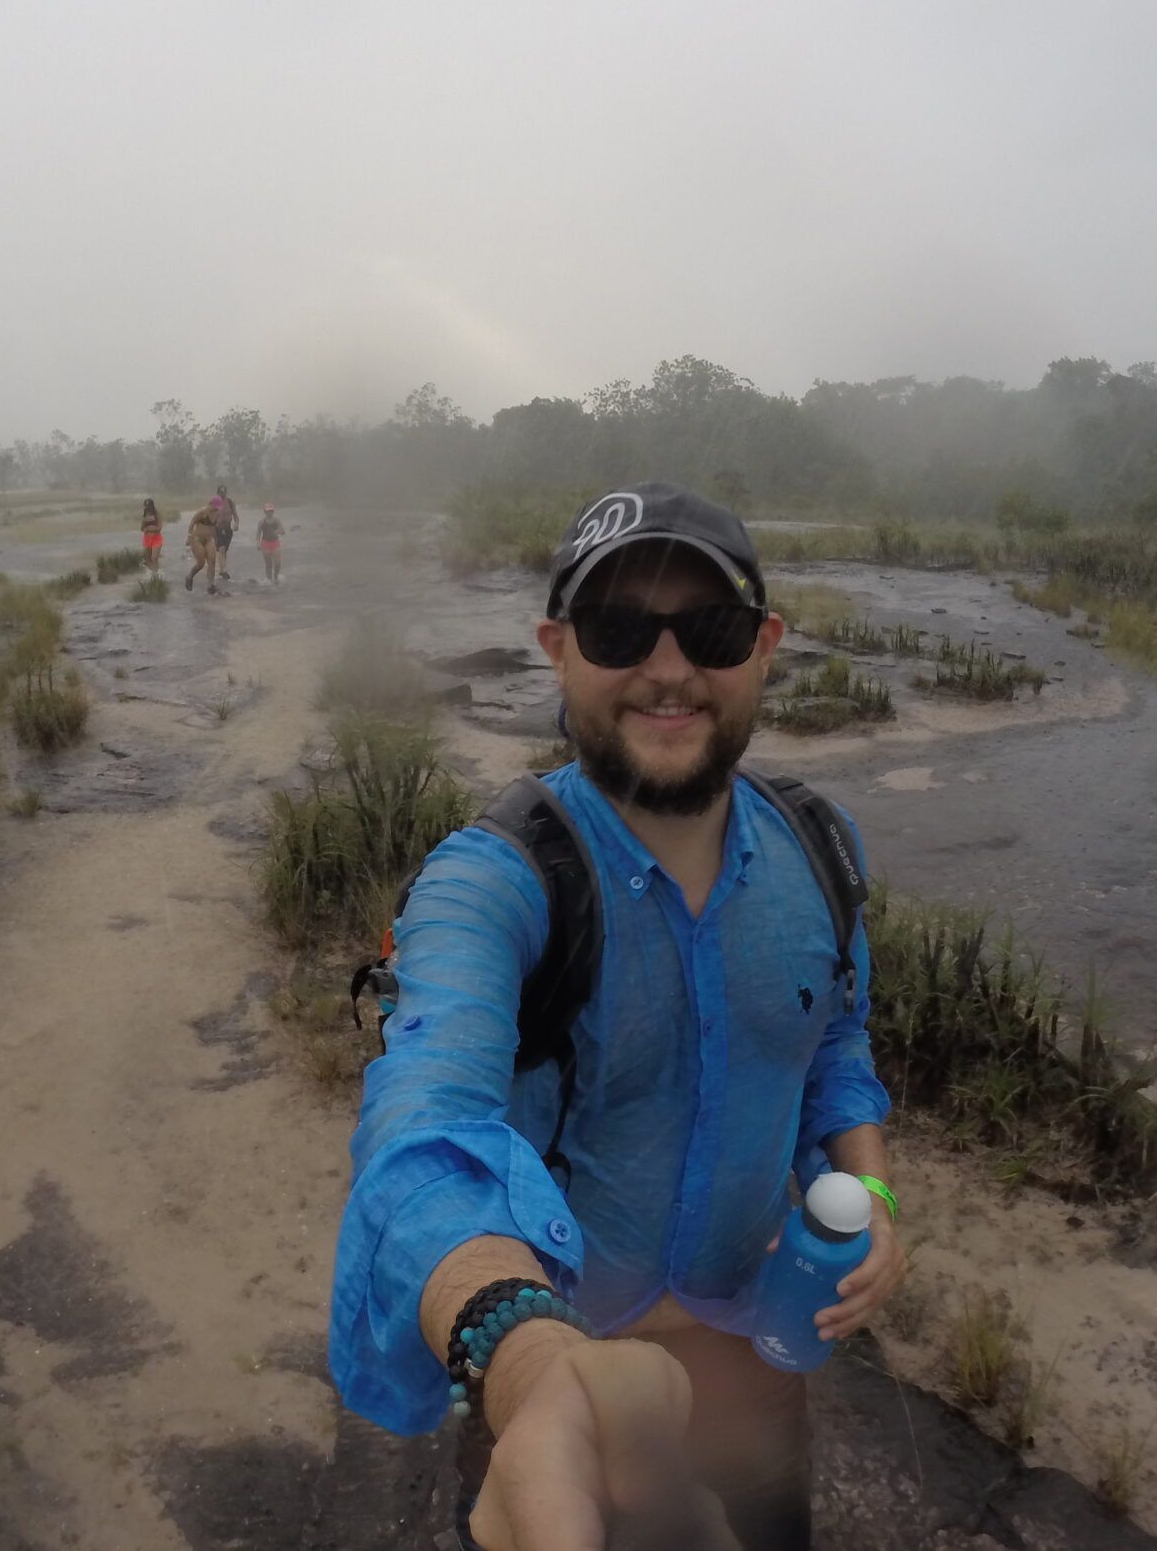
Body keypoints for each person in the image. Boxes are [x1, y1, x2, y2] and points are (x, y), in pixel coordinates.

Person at [331, 486, 902, 1551]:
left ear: (766, 646)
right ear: (557, 649)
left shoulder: (823, 851)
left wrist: (867, 1192)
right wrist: (534, 1365)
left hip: (760, 1363)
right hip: (564, 1382)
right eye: (618, 629)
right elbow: (419, 1134)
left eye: (714, 629)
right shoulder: (489, 883)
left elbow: (834, 1044)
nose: (670, 666)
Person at [183, 496, 224, 595]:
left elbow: (212, 528)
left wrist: (217, 539)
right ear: (211, 504)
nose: (217, 509)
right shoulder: (203, 512)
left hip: (209, 539)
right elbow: (192, 522)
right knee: (201, 563)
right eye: (216, 506)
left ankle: (211, 585)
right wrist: (189, 537)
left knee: (212, 561)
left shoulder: (217, 514)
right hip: (197, 539)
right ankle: (189, 577)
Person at [216, 488, 241, 580]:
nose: (222, 495)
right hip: (217, 529)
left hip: (228, 530)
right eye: (220, 493)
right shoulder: (214, 503)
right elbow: (210, 517)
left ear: (226, 493)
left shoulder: (230, 502)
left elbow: (235, 515)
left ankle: (222, 570)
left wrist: (236, 524)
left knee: (224, 550)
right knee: (221, 549)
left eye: (224, 493)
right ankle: (223, 571)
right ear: (217, 493)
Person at [257, 504, 284, 584]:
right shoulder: (261, 522)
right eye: (268, 511)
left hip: (275, 543)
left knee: (277, 563)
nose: (269, 513)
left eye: (271, 511)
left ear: (273, 512)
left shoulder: (277, 520)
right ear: (264, 512)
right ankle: (268, 580)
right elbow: (258, 534)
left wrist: (277, 532)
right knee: (268, 564)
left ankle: (276, 575)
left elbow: (283, 531)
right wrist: (258, 543)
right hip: (265, 543)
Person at [140, 497, 164, 575]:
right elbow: (141, 528)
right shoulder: (144, 515)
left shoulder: (157, 514)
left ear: (152, 506)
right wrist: (145, 528)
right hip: (147, 538)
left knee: (154, 558)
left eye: (149, 506)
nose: (147, 508)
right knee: (149, 560)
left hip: (156, 538)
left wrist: (149, 529)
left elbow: (159, 528)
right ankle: (155, 573)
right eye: (146, 506)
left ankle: (156, 575)